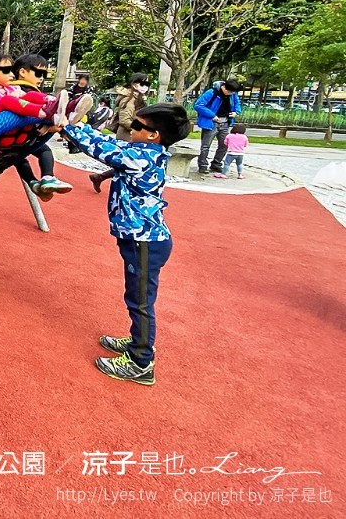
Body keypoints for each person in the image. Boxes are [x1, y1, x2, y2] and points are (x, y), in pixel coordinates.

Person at [61, 103, 191, 386]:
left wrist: (68, 128)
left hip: (145, 243)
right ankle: (136, 343)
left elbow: (102, 150)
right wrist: (76, 127)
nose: (130, 130)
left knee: (140, 302)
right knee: (137, 298)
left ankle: (141, 362)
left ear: (153, 135)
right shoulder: (144, 151)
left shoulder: (140, 158)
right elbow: (109, 141)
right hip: (140, 241)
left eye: (136, 126)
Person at [0, 51, 86, 198]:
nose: (12, 73)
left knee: (28, 97)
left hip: (19, 135)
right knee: (7, 101)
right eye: (7, 70)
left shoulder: (13, 89)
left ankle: (64, 107)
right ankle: (47, 112)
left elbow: (28, 99)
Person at [89, 73, 149, 193]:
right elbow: (124, 120)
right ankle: (105, 180)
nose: (145, 86)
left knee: (128, 164)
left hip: (133, 135)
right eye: (143, 83)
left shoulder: (137, 99)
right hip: (128, 135)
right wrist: (141, 128)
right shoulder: (129, 99)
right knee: (130, 164)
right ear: (134, 84)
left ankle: (100, 177)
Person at [194, 79, 242, 175]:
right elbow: (198, 105)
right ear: (223, 87)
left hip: (225, 122)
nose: (230, 94)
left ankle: (216, 164)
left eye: (232, 92)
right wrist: (212, 115)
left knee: (224, 145)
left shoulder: (233, 94)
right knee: (206, 145)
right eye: (228, 92)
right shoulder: (212, 92)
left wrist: (236, 112)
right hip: (211, 122)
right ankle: (203, 165)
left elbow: (237, 104)